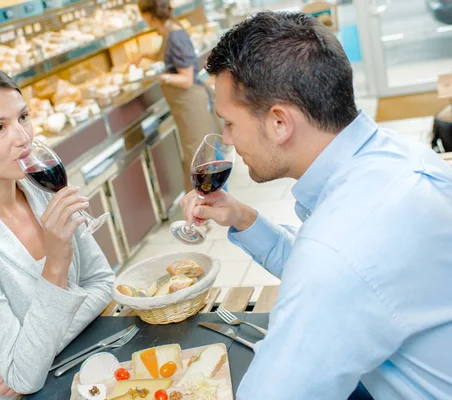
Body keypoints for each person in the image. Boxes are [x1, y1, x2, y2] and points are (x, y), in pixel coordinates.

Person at [181, 11, 452, 400]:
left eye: (228, 123)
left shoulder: (337, 254)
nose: (227, 141)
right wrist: (244, 219)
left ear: (279, 123)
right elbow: (357, 277)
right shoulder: (396, 155)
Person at [0, 67, 115, 399]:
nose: (23, 138)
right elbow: (24, 378)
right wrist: (56, 260)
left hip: (69, 371)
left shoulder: (41, 192)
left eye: (23, 117)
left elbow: (103, 282)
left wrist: (34, 357)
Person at [138, 0, 220, 191]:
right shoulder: (169, 31)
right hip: (185, 105)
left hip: (192, 103)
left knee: (200, 159)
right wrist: (149, 58)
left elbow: (186, 80)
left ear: (148, 15)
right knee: (203, 156)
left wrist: (160, 76)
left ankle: (205, 210)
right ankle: (206, 208)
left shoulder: (174, 36)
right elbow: (172, 60)